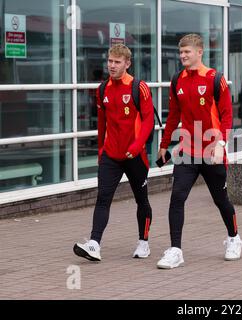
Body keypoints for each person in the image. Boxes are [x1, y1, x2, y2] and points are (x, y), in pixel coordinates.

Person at [156, 34, 242, 269]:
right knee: (177, 198)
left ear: (199, 52)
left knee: (220, 199)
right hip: (187, 150)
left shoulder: (215, 79)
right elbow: (174, 115)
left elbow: (226, 115)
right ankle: (175, 250)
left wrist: (221, 145)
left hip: (213, 151)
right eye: (181, 52)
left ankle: (234, 238)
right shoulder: (177, 80)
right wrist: (165, 144)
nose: (183, 55)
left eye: (187, 52)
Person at [73, 44, 154, 261]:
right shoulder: (102, 89)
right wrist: (100, 149)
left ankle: (143, 242)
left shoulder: (139, 87)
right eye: (110, 61)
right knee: (103, 198)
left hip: (135, 156)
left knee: (141, 200)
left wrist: (137, 147)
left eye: (117, 62)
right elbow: (102, 123)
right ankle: (94, 244)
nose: (111, 65)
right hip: (111, 155)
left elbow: (148, 122)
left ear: (127, 64)